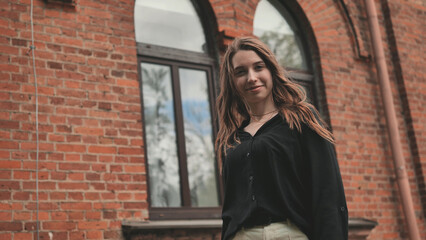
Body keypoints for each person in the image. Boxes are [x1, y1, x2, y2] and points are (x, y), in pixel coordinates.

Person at [215, 36, 348, 240]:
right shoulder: (232, 140)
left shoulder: (301, 121)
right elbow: (230, 209)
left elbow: (327, 195)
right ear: (232, 82)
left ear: (271, 71)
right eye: (240, 72)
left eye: (258, 67)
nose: (251, 77)